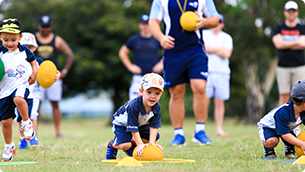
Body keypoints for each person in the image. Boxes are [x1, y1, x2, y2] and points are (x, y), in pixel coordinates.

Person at [149, 0, 219, 146]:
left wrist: (205, 21)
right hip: (173, 52)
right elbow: (153, 22)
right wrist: (161, 37)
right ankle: (178, 134)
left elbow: (216, 19)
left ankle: (200, 131)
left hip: (196, 51)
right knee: (176, 92)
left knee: (199, 87)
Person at [0, 18, 37, 161]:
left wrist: (35, 72)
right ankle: (9, 145)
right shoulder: (0, 53)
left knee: (18, 99)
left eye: (13, 40)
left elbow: (33, 60)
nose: (10, 43)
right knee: (6, 122)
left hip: (21, 84)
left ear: (20, 38)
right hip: (3, 91)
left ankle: (27, 123)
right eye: (6, 40)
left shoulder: (24, 50)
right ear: (0, 37)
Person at [16, 32, 61, 149]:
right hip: (19, 94)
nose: (27, 50)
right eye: (24, 47)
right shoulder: (15, 62)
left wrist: (56, 75)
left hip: (34, 94)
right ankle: (22, 139)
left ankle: (33, 137)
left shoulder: (39, 62)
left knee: (33, 116)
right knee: (20, 118)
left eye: (30, 47)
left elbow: (50, 73)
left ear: (34, 48)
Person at [106, 73, 164, 159]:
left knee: (155, 136)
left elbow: (154, 125)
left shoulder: (156, 106)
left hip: (139, 124)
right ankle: (113, 144)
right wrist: (140, 144)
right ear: (141, 91)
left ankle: (132, 145)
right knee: (125, 145)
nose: (153, 96)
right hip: (121, 123)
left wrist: (152, 144)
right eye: (149, 92)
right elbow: (133, 127)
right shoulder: (135, 105)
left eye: (157, 93)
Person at [34, 15, 74, 137]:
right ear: (39, 26)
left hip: (54, 77)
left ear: (50, 27)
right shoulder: (33, 39)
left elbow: (70, 55)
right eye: (43, 26)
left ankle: (58, 131)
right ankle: (34, 133)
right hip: (37, 77)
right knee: (36, 104)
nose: (45, 29)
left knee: (55, 103)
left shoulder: (57, 40)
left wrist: (64, 72)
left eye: (47, 26)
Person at [118, 14, 163, 100]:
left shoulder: (157, 39)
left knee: (152, 106)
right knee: (134, 103)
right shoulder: (134, 39)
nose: (145, 26)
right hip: (139, 77)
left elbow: (167, 51)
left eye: (147, 24)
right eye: (143, 24)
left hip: (154, 77)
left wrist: (161, 63)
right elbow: (122, 52)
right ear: (140, 25)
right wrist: (130, 66)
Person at [202, 14, 233, 137]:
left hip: (222, 72)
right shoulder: (203, 34)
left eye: (219, 22)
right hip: (206, 72)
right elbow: (202, 48)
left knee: (220, 102)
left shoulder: (227, 37)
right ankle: (201, 129)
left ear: (222, 24)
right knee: (204, 101)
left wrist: (210, 49)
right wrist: (219, 50)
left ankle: (219, 129)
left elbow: (227, 54)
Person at [257, 80, 305, 158]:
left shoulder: (303, 111)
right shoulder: (283, 112)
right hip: (269, 127)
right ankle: (268, 149)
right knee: (273, 141)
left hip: (288, 128)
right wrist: (302, 144)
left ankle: (289, 148)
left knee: (297, 140)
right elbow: (285, 134)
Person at [272, 1, 305, 106]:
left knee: (300, 96)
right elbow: (278, 44)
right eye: (289, 10)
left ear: (297, 13)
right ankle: (283, 122)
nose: (291, 12)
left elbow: (303, 43)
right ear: (285, 12)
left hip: (299, 67)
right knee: (283, 95)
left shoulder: (302, 28)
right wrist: (296, 42)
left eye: (293, 10)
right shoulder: (278, 28)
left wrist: (284, 42)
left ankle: (297, 122)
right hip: (283, 67)